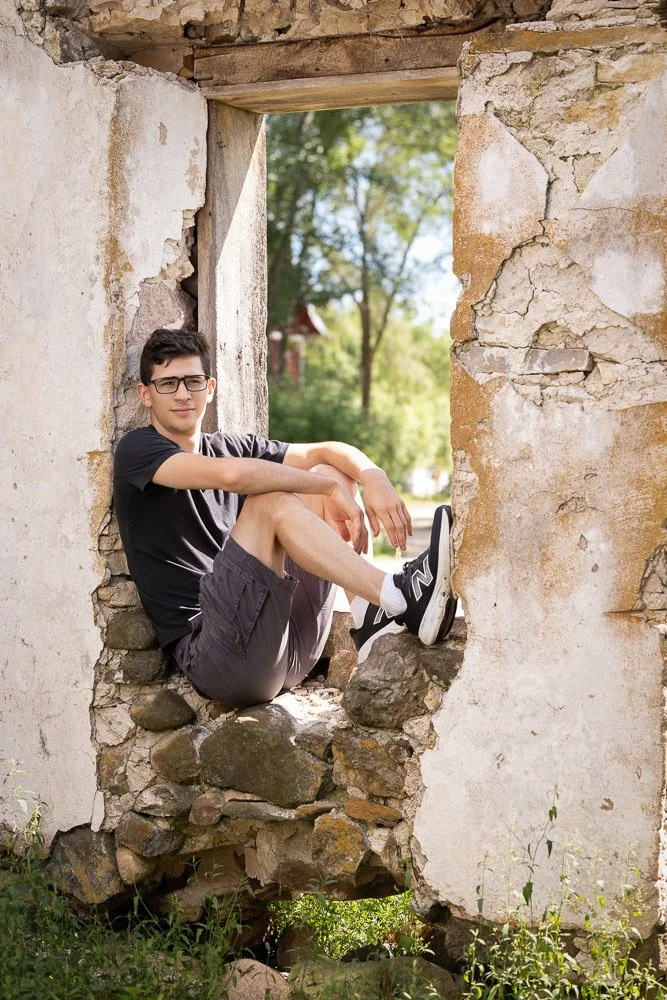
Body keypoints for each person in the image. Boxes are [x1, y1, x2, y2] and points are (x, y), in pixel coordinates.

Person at [113, 328, 457, 709]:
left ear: (209, 388)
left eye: (193, 381)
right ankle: (397, 594)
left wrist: (373, 475)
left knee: (329, 471)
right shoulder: (136, 451)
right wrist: (326, 488)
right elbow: (232, 476)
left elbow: (323, 452)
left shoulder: (230, 446)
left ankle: (369, 615)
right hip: (219, 658)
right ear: (145, 393)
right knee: (274, 499)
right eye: (168, 384)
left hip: (287, 645)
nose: (182, 394)